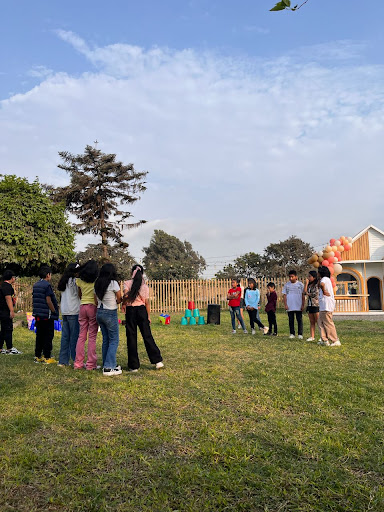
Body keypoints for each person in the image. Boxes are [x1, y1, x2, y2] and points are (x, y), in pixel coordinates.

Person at [123, 264, 164, 372]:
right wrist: (148, 316)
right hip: (141, 311)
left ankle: (133, 366)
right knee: (147, 336)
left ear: (132, 272)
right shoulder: (144, 287)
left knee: (131, 337)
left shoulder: (127, 283)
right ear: (142, 274)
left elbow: (125, 298)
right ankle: (157, 361)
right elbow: (146, 303)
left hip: (131, 311)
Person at [95, 263, 122, 376]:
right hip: (110, 312)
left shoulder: (97, 283)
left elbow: (95, 300)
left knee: (106, 339)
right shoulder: (113, 283)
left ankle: (108, 363)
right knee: (114, 340)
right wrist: (116, 302)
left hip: (99, 312)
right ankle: (109, 367)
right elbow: (119, 297)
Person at [74, 260, 99, 370]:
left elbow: (80, 294)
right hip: (92, 307)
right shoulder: (96, 281)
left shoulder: (79, 281)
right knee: (92, 336)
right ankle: (91, 364)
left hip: (82, 306)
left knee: (81, 336)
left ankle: (78, 363)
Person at [32, 265, 59, 363]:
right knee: (48, 336)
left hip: (38, 315)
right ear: (48, 275)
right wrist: (53, 311)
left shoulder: (36, 285)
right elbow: (48, 300)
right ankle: (47, 356)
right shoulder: (47, 285)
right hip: (47, 316)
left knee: (39, 335)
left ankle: (37, 355)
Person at [57, 263, 80, 367]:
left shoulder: (63, 281)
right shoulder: (75, 282)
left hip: (65, 311)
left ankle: (63, 360)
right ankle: (76, 360)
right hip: (74, 311)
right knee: (74, 337)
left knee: (65, 337)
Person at [317, 266, 340, 347]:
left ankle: (335, 340)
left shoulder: (324, 279)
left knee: (328, 323)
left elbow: (322, 284)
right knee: (320, 322)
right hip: (323, 305)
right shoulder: (326, 279)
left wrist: (324, 291)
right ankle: (324, 339)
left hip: (326, 305)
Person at [0, 270, 22, 354]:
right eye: (14, 277)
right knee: (8, 329)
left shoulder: (2, 285)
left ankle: (0, 347)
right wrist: (11, 310)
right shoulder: (7, 287)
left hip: (2, 311)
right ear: (11, 278)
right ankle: (9, 348)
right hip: (5, 311)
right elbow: (8, 298)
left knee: (3, 329)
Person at [282, 270, 305, 339]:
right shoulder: (287, 285)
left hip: (298, 305)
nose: (291, 278)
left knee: (299, 320)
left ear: (296, 277)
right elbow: (284, 295)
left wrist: (303, 305)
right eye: (289, 277)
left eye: (292, 277)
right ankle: (292, 333)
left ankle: (300, 334)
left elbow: (303, 295)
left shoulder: (300, 285)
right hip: (290, 305)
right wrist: (285, 304)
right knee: (291, 320)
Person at [304, 270, 319, 342]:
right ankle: (312, 336)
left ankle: (322, 336)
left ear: (314, 277)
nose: (308, 278)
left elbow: (315, 294)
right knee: (312, 321)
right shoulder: (309, 285)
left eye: (310, 276)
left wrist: (308, 293)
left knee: (318, 321)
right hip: (310, 304)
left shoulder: (316, 285)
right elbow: (304, 292)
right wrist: (306, 284)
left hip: (315, 304)